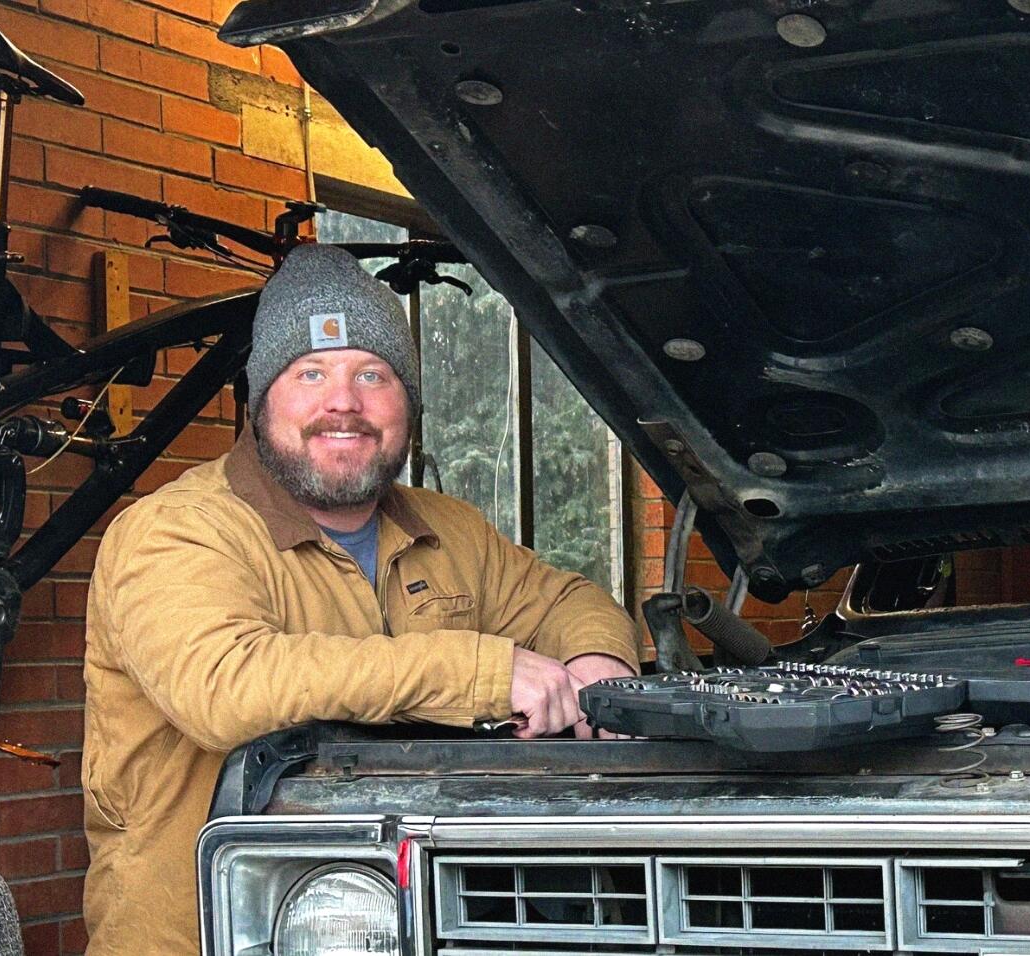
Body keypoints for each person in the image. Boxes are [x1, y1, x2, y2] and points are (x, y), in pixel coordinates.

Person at [78, 244, 640, 955]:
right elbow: (224, 686)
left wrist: (594, 660)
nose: (343, 402)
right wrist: (480, 674)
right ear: (259, 403)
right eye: (310, 372)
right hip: (207, 936)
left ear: (407, 403)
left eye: (371, 375)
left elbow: (569, 600)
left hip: (412, 930)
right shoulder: (176, 532)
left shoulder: (447, 529)